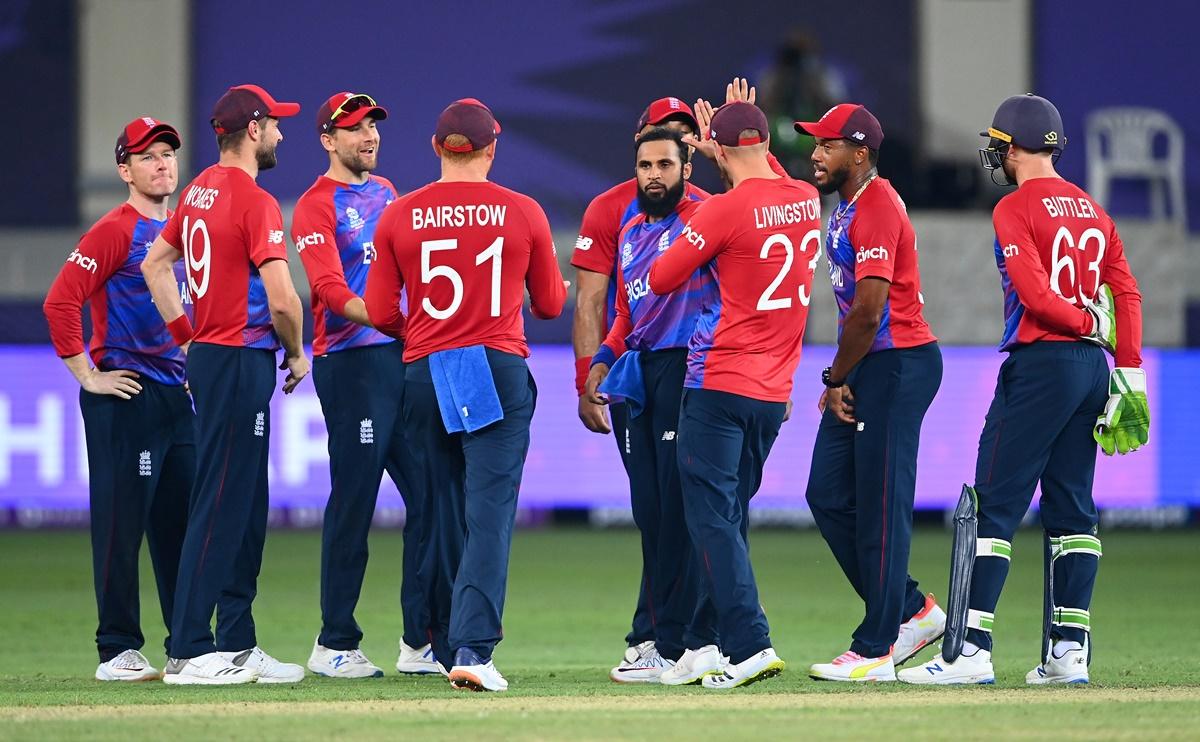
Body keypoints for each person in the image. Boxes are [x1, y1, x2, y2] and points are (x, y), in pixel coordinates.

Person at [899, 94, 1145, 685]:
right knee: (1073, 509)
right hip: (1093, 371)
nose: (995, 152)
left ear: (1014, 145)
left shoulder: (1014, 208)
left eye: (998, 142)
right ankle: (1068, 654)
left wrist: (1083, 322)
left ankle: (970, 652)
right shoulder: (1093, 210)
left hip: (1042, 365)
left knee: (994, 505)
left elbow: (1036, 297)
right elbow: (1128, 295)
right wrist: (1128, 369)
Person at [365, 98, 567, 692]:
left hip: (425, 369)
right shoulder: (523, 211)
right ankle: (473, 651)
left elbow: (379, 311)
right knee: (489, 514)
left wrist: (425, 334)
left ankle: (443, 640)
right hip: (493, 365)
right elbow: (552, 304)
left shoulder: (399, 215)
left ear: (436, 148)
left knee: (442, 510)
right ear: (491, 150)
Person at [649, 101, 822, 689]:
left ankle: (750, 644)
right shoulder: (803, 197)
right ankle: (706, 643)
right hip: (774, 394)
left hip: (720, 382)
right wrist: (733, 147)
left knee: (711, 519)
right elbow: (766, 172)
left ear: (715, 153)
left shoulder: (724, 209)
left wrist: (717, 183)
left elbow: (663, 275)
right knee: (723, 516)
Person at [141, 84, 310, 685]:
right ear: (255, 128)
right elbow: (285, 299)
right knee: (219, 498)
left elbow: (154, 266)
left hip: (215, 355)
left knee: (243, 501)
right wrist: (296, 352)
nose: (283, 135)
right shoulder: (253, 199)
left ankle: (237, 640)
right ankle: (188, 647)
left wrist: (186, 335)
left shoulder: (197, 192)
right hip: (240, 357)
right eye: (277, 125)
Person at [796, 104, 945, 683]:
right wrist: (844, 375)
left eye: (827, 145)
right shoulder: (845, 208)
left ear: (859, 153)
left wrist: (837, 376)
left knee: (882, 505)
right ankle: (912, 610)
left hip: (899, 363)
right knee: (827, 493)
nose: (815, 154)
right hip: (868, 365)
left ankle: (878, 645)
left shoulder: (877, 204)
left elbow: (869, 309)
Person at [293, 92, 438, 679]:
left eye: (373, 124)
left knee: (430, 495)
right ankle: (334, 643)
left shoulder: (388, 195)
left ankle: (419, 640)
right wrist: (393, 321)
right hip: (351, 365)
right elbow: (327, 290)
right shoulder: (313, 206)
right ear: (329, 140)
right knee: (354, 499)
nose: (369, 135)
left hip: (400, 360)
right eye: (355, 128)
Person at [43, 117, 191, 682]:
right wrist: (88, 375)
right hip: (126, 392)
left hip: (177, 394)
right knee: (120, 525)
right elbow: (61, 302)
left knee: (181, 525)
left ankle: (189, 646)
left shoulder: (185, 229)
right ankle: (118, 650)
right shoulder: (114, 230)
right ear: (124, 170)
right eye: (147, 156)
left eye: (168, 154)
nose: (162, 164)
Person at [571, 96, 708, 673]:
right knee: (652, 509)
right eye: (647, 161)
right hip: (635, 373)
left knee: (683, 510)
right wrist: (595, 368)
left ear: (690, 157)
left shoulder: (712, 213)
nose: (656, 171)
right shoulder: (620, 222)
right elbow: (607, 305)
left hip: (692, 370)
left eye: (673, 152)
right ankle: (665, 636)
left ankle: (676, 638)